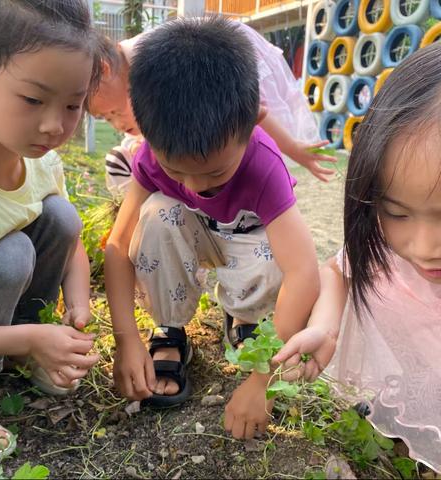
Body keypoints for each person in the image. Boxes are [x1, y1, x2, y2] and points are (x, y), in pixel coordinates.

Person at [105, 17, 320, 440]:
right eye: (175, 169)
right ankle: (168, 329)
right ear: (144, 133)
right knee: (158, 213)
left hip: (245, 241)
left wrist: (263, 378)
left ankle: (246, 320)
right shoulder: (149, 157)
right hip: (193, 233)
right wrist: (125, 338)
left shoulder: (263, 167)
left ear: (253, 122)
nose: (195, 185)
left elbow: (304, 270)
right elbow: (117, 244)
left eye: (215, 173)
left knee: (270, 254)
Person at [273, 43, 441, 472]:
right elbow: (339, 270)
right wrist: (327, 328)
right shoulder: (386, 253)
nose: (423, 247)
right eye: (397, 213)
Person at [0, 0, 103, 465]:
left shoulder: (40, 157)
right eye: (32, 100)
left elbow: (74, 243)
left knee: (61, 216)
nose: (54, 125)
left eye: (73, 104)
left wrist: (78, 309)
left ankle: (14, 354)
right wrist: (28, 336)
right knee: (9, 256)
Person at [89, 20, 337, 200]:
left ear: (105, 70)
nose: (118, 124)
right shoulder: (131, 70)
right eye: (106, 119)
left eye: (114, 113)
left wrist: (293, 148)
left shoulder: (159, 65)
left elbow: (249, 110)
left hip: (225, 63)